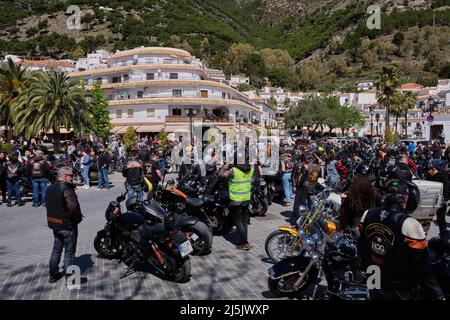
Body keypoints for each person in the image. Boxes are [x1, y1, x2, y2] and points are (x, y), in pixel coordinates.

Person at [359, 180, 445, 300]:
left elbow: (361, 245)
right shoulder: (409, 224)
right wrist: (438, 295)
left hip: (374, 277)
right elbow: (422, 266)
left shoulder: (367, 214)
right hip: (399, 287)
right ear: (405, 198)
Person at [46, 166, 83, 283]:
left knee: (56, 249)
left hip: (54, 224)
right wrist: (76, 220)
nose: (72, 178)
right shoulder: (67, 189)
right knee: (69, 252)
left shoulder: (50, 188)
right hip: (67, 225)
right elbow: (72, 208)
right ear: (65, 176)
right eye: (71, 175)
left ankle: (53, 274)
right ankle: (70, 278)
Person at [219, 160, 254, 251]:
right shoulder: (250, 169)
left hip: (236, 200)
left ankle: (244, 243)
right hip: (246, 198)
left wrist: (226, 165)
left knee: (238, 221)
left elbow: (221, 174)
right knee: (244, 221)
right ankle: (244, 241)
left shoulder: (234, 171)